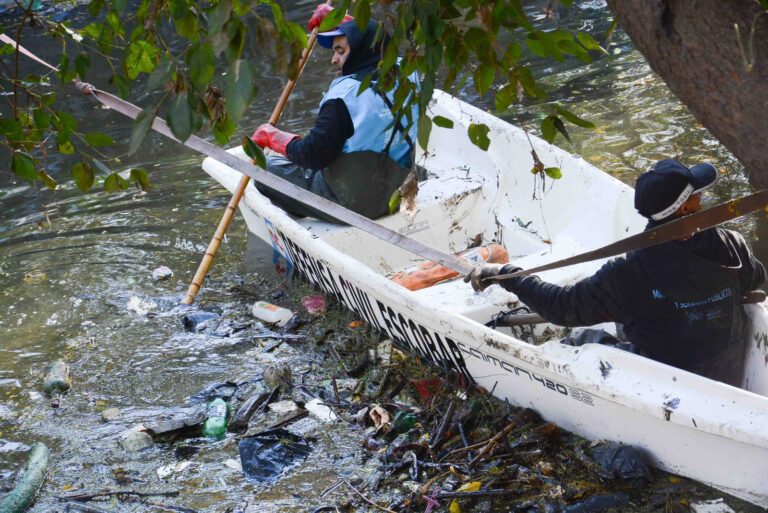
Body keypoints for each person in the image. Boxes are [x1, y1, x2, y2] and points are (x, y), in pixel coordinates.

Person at [464, 159, 766, 386]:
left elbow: (563, 308)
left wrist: (509, 274)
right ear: (685, 209)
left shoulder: (629, 271)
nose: (703, 200)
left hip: (665, 379)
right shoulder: (731, 244)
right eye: (697, 196)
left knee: (581, 339)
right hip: (725, 370)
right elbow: (756, 281)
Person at [250, 7, 419, 221]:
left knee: (268, 170)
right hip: (401, 190)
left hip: (352, 204)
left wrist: (271, 136)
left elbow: (312, 155)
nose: (334, 60)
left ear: (359, 50)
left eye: (340, 51)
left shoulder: (343, 98)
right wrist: (339, 20)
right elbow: (377, 39)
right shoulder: (408, 71)